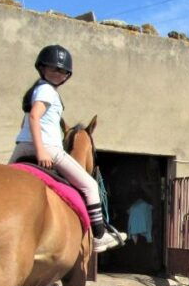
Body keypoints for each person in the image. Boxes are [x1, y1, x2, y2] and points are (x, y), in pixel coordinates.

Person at [9, 44, 125, 252]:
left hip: (21, 149)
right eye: (54, 69)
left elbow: (26, 122)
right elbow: (35, 116)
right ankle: (99, 235)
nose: (59, 73)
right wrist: (42, 150)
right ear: (42, 68)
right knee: (89, 185)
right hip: (48, 148)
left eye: (63, 71)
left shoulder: (35, 90)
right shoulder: (47, 91)